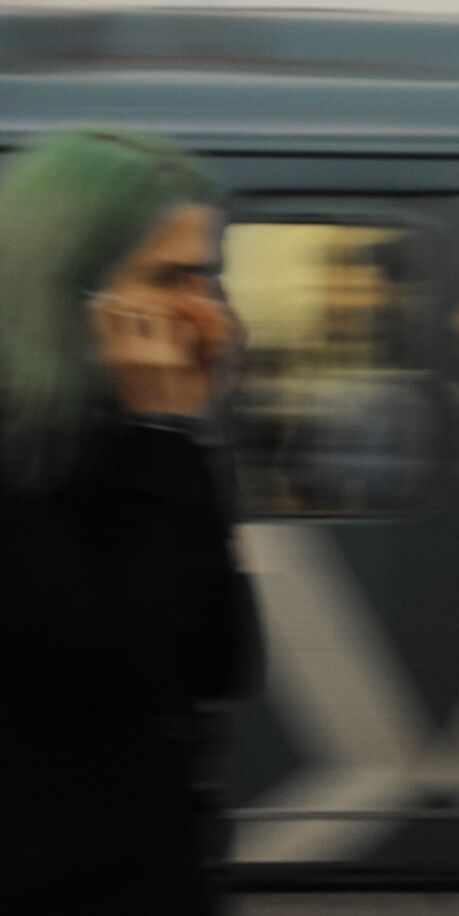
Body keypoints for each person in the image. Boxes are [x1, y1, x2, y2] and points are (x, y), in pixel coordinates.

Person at [0, 129, 260, 914]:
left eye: (207, 277)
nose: (204, 309)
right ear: (68, 290)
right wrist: (160, 439)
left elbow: (222, 659)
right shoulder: (22, 452)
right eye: (171, 277)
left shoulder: (130, 438)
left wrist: (182, 434)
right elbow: (112, 664)